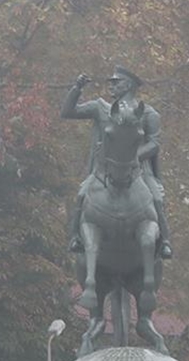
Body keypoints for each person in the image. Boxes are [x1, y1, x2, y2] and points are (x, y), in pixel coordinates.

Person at [61, 66, 173, 259]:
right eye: (111, 82)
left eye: (116, 82)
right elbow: (68, 112)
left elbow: (154, 143)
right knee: (81, 194)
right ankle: (75, 238)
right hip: (103, 170)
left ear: (128, 85)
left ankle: (164, 241)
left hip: (139, 170)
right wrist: (77, 88)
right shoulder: (100, 108)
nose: (111, 86)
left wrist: (133, 158)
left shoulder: (147, 113)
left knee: (157, 198)